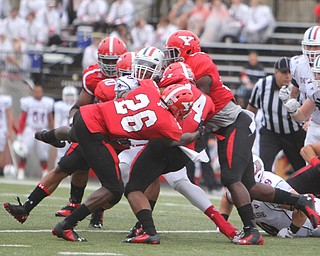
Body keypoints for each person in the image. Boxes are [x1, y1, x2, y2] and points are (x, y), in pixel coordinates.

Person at [164, 29, 319, 245]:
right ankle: (301, 201)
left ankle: (251, 231)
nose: (170, 56)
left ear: (188, 49)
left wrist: (190, 129)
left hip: (235, 124)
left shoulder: (200, 62)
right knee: (250, 186)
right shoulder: (183, 68)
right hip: (224, 128)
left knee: (231, 178)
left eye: (174, 51)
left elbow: (199, 99)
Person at [123, 61, 238, 243]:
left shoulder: (170, 89)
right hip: (185, 153)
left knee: (132, 187)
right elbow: (203, 120)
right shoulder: (206, 99)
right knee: (178, 182)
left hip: (165, 143)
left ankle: (147, 230)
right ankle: (225, 226)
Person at [53, 36, 127, 229]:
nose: (110, 66)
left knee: (112, 181)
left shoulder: (131, 74)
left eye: (114, 61)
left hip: (123, 132)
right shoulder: (93, 76)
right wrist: (74, 123)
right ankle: (74, 203)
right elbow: (78, 106)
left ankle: (99, 209)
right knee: (79, 163)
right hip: (98, 129)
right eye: (107, 61)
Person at [219, 155, 320, 238]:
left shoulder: (272, 184)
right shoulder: (238, 188)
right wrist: (222, 223)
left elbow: (302, 206)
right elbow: (227, 197)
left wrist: (291, 231)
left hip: (314, 221)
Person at [247, 57, 306, 172]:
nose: (288, 76)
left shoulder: (298, 86)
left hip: (294, 133)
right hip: (270, 133)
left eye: (290, 72)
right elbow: (251, 110)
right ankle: (264, 189)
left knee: (301, 168)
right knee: (264, 168)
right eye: (284, 72)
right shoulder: (262, 85)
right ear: (276, 72)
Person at [15, 84, 54, 180]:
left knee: (43, 154)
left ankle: (45, 172)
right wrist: (20, 133)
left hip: (42, 129)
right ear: (33, 92)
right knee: (24, 151)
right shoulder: (28, 102)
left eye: (39, 92)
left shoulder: (47, 102)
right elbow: (23, 118)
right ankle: (21, 170)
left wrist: (52, 132)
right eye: (36, 92)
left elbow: (50, 119)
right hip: (30, 130)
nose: (38, 94)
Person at [281, 54, 320, 145]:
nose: (319, 78)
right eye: (318, 74)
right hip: (315, 128)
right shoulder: (315, 91)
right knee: (306, 152)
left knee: (307, 152)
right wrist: (293, 111)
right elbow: (303, 115)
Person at [53, 86, 78, 165]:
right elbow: (57, 120)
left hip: (74, 130)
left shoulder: (77, 106)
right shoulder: (59, 105)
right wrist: (56, 132)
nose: (69, 98)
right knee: (60, 153)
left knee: (74, 153)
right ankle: (57, 171)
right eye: (68, 95)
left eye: (71, 95)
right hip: (63, 130)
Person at [0, 94, 14, 166]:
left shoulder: (4, 100)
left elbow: (10, 116)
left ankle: (0, 169)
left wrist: (10, 130)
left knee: (1, 150)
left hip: (1, 128)